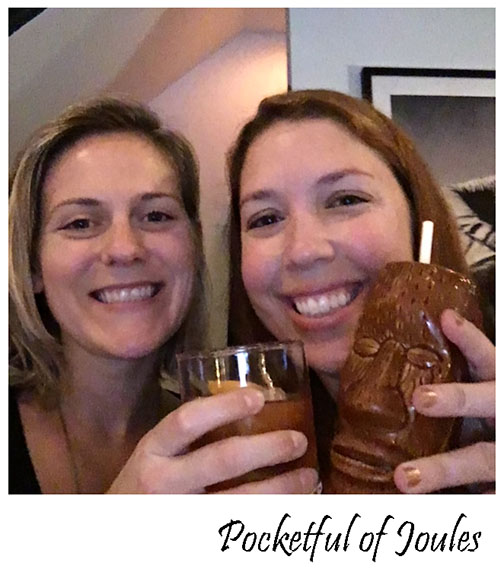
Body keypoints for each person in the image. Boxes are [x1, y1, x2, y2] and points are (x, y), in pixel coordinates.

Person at [9, 96, 319, 494]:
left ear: (194, 245)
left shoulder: (228, 433)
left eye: (156, 216)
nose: (125, 249)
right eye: (81, 223)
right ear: (32, 263)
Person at [227, 89, 495, 494]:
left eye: (345, 199)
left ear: (416, 214)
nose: (303, 251)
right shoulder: (236, 450)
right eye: (265, 219)